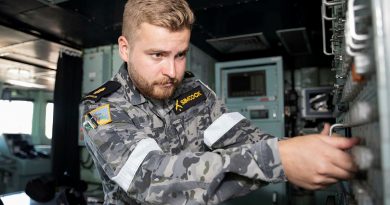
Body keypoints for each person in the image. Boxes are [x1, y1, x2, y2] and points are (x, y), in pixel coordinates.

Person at [81, 0, 359, 204]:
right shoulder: (103, 109)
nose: (172, 71)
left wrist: (300, 150)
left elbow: (239, 137)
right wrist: (279, 159)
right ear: (125, 49)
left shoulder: (194, 90)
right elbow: (152, 180)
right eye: (157, 55)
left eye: (180, 55)